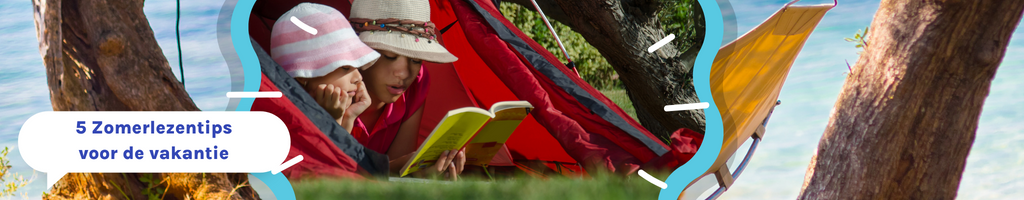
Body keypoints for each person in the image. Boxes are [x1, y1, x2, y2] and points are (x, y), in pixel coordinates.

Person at [347, 0, 465, 179]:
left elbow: (397, 171)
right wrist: (402, 165)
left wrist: (424, 172)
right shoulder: (334, 88)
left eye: (416, 60)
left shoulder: (417, 82)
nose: (404, 73)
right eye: (390, 56)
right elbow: (331, 171)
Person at [269, 3, 377, 134]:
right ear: (303, 76)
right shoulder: (285, 123)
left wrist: (348, 117)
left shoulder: (345, 116)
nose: (358, 78)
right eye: (345, 68)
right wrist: (333, 120)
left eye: (357, 66)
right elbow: (327, 153)